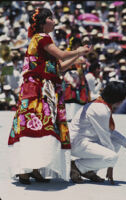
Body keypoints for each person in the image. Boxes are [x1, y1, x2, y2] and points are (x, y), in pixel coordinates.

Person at [8, 7, 91, 184]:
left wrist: (77, 57)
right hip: (38, 91)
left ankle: (35, 168)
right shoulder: (42, 38)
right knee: (36, 127)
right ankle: (25, 169)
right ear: (44, 22)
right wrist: (79, 50)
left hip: (41, 89)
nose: (54, 21)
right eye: (51, 18)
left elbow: (59, 67)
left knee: (40, 129)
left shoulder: (39, 40)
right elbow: (61, 55)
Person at [69, 81, 126, 184]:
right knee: (112, 157)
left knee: (116, 143)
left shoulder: (101, 104)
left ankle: (89, 170)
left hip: (85, 140)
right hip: (78, 143)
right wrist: (111, 165)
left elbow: (109, 132)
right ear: (117, 99)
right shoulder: (100, 110)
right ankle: (76, 167)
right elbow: (106, 139)